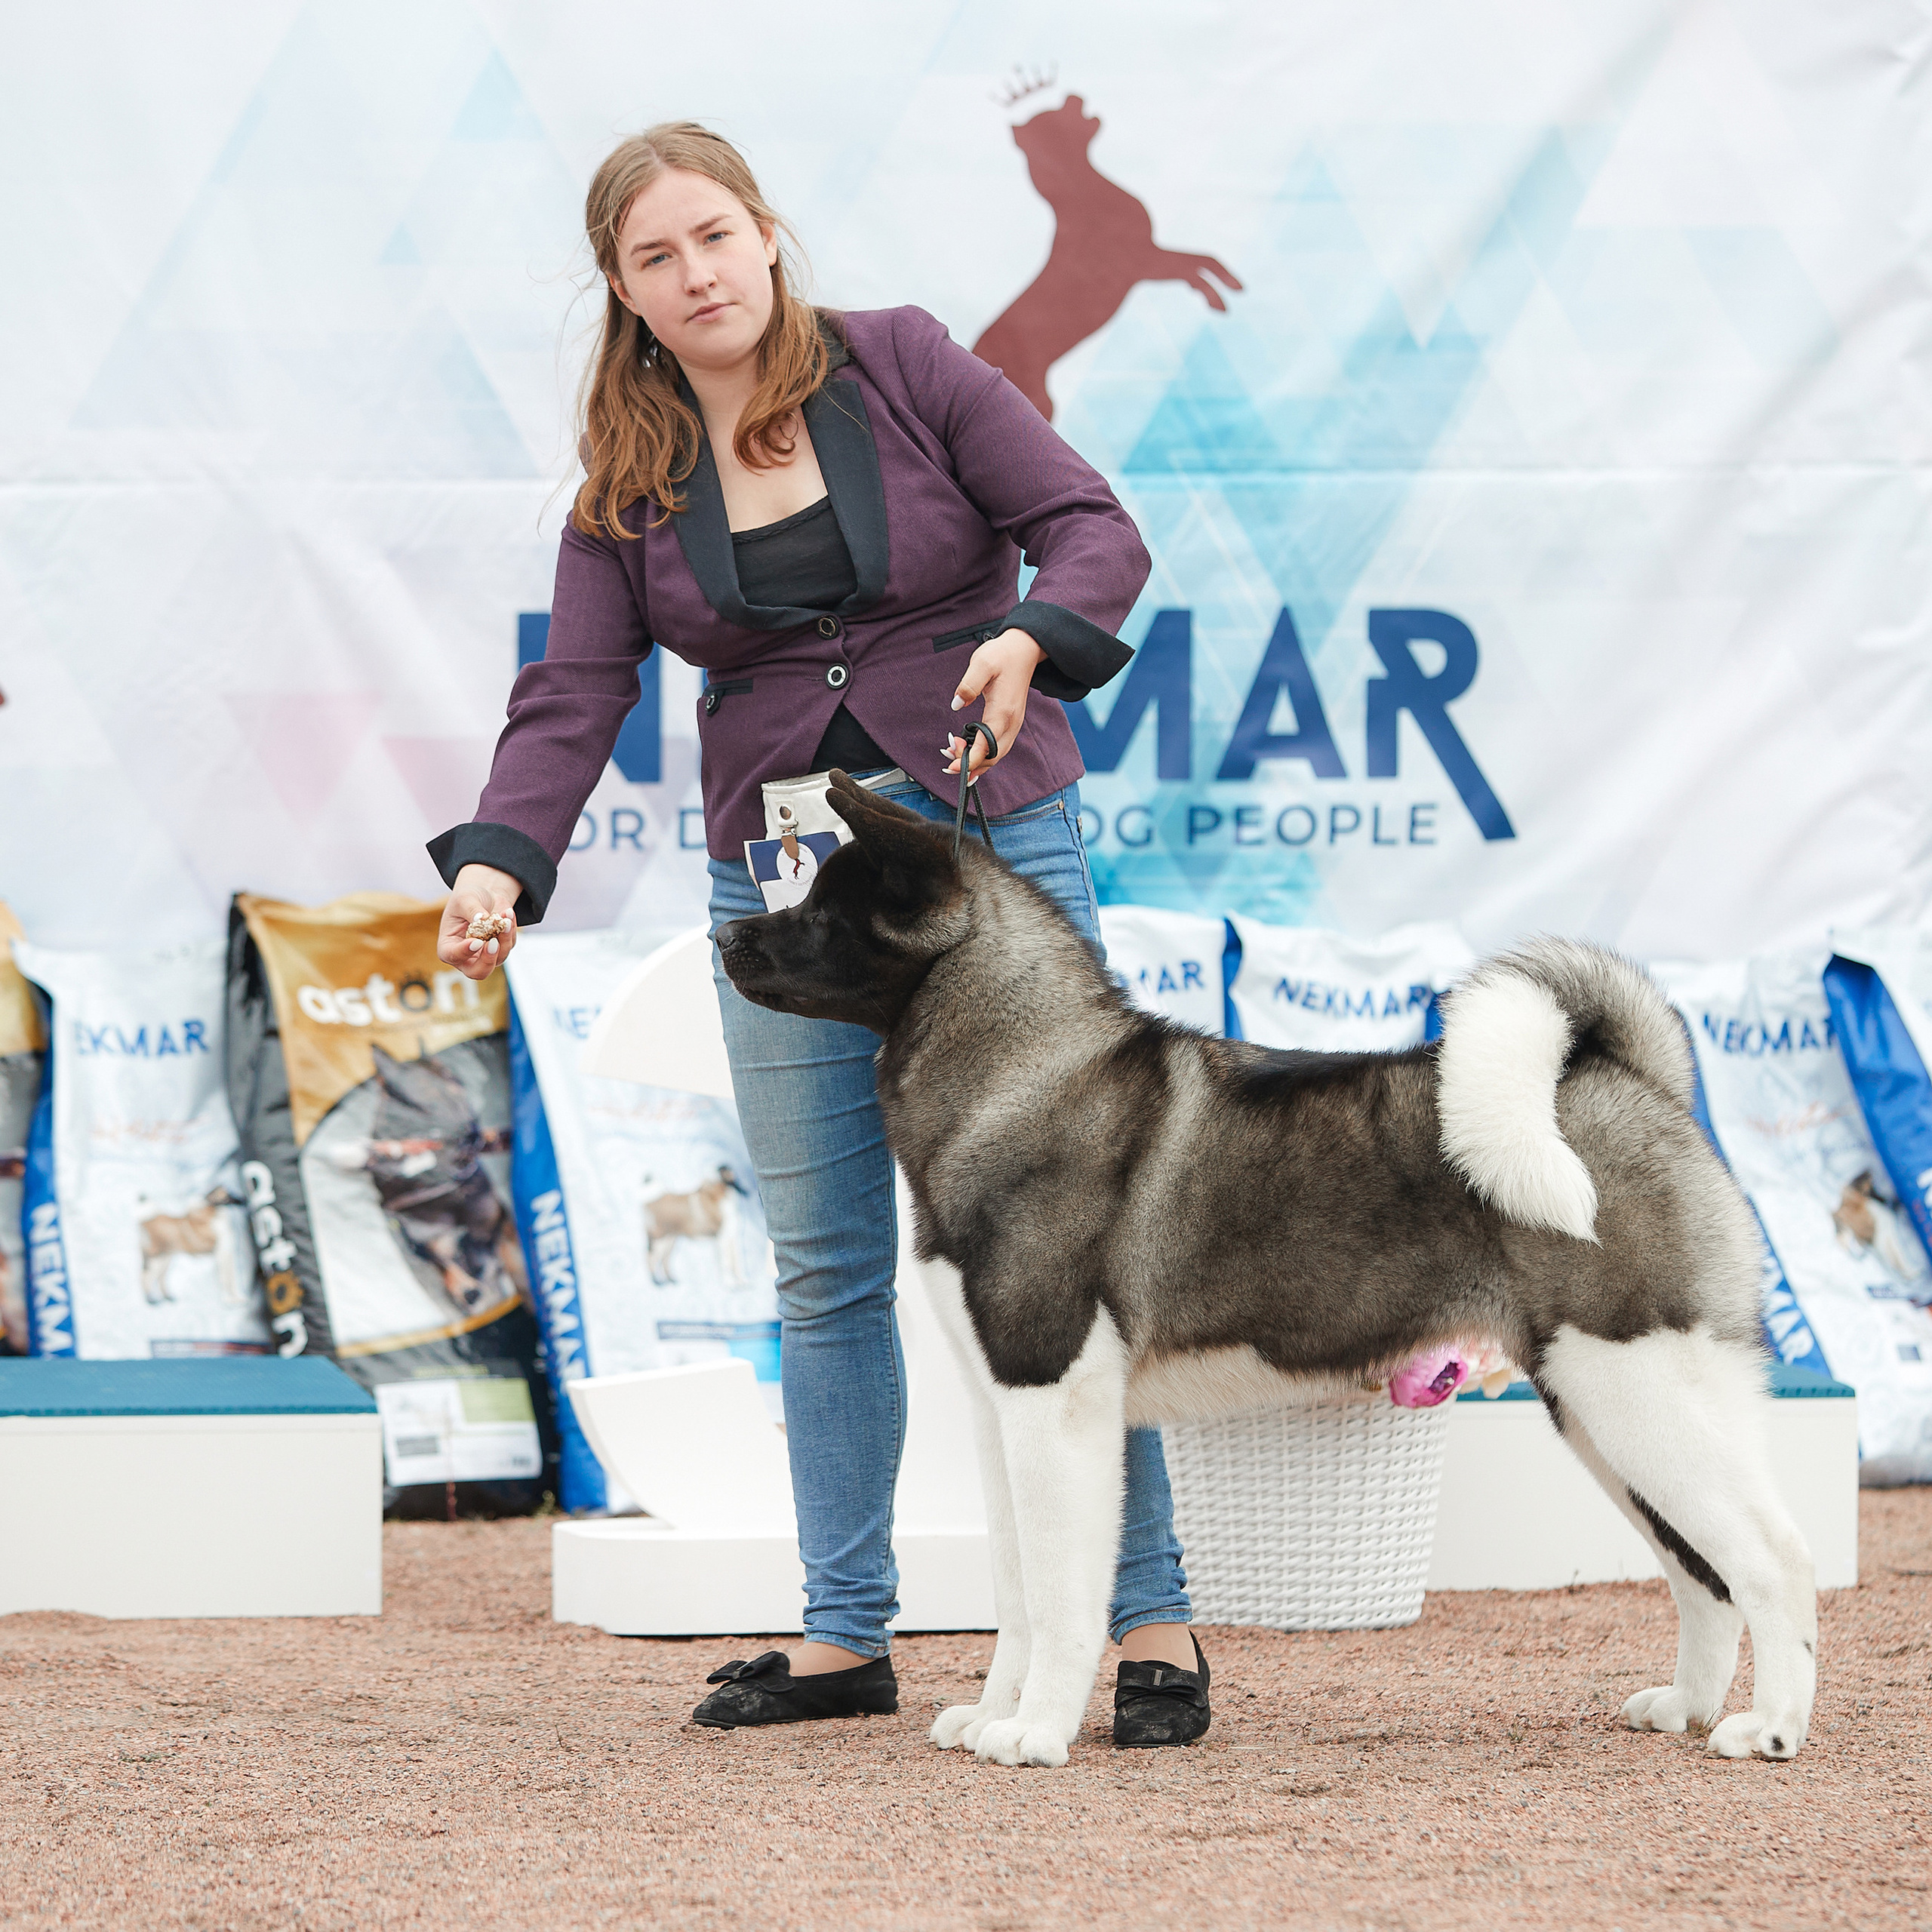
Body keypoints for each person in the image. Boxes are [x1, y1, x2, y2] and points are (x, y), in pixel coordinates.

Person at [429, 123, 1209, 1748]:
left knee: (1061, 1238)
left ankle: (1147, 1614)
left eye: (713, 235)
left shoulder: (905, 363)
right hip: (784, 890)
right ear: (624, 291)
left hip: (989, 850)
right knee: (828, 1262)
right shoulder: (626, 479)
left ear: (766, 234)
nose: (695, 273)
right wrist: (501, 860)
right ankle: (845, 1633)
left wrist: (1027, 636)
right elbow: (573, 692)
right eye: (654, 257)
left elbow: (1089, 525)